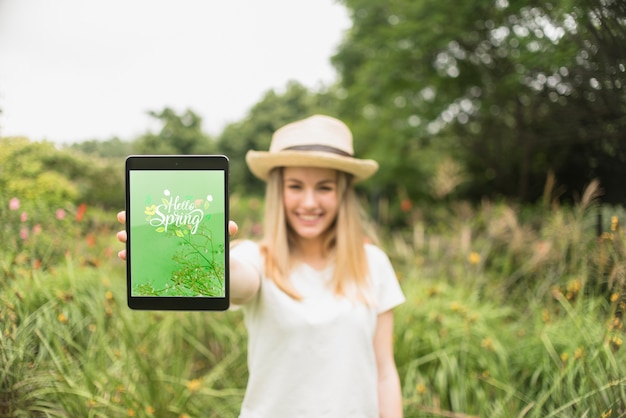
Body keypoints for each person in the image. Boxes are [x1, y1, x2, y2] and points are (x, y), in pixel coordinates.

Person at [117, 114, 405, 417]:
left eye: (324, 188)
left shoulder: (374, 263)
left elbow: (385, 372)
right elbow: (240, 282)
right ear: (278, 191)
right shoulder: (256, 258)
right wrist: (210, 258)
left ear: (342, 193)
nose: (309, 202)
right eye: (295, 186)